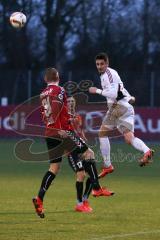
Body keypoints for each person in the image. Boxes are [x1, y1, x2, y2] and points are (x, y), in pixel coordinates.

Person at [32, 67, 114, 218]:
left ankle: (39, 198)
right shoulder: (60, 90)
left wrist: (54, 126)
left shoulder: (42, 93)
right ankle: (96, 188)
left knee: (54, 168)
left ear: (45, 79)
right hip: (62, 132)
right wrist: (60, 127)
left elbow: (45, 113)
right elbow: (56, 107)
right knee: (89, 153)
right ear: (58, 77)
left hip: (49, 132)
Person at [89, 52, 154, 178]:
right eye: (97, 64)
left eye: (102, 64)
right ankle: (146, 151)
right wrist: (130, 97)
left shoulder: (108, 74)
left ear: (107, 63)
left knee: (102, 133)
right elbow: (120, 89)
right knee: (129, 138)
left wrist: (96, 90)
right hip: (126, 107)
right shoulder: (110, 73)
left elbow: (113, 94)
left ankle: (107, 165)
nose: (99, 66)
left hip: (118, 107)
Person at [67, 96, 93, 212]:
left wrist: (83, 138)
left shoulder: (77, 116)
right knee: (81, 175)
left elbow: (79, 130)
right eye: (68, 101)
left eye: (72, 101)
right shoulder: (64, 116)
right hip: (71, 152)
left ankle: (85, 199)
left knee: (92, 175)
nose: (71, 103)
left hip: (81, 149)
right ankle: (79, 204)